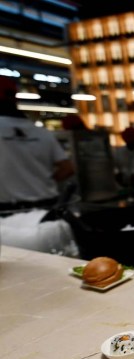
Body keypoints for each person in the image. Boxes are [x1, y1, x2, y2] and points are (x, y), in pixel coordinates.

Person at [0, 75, 78, 256]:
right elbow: (67, 168)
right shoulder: (41, 132)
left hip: (7, 223)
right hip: (49, 218)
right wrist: (42, 179)